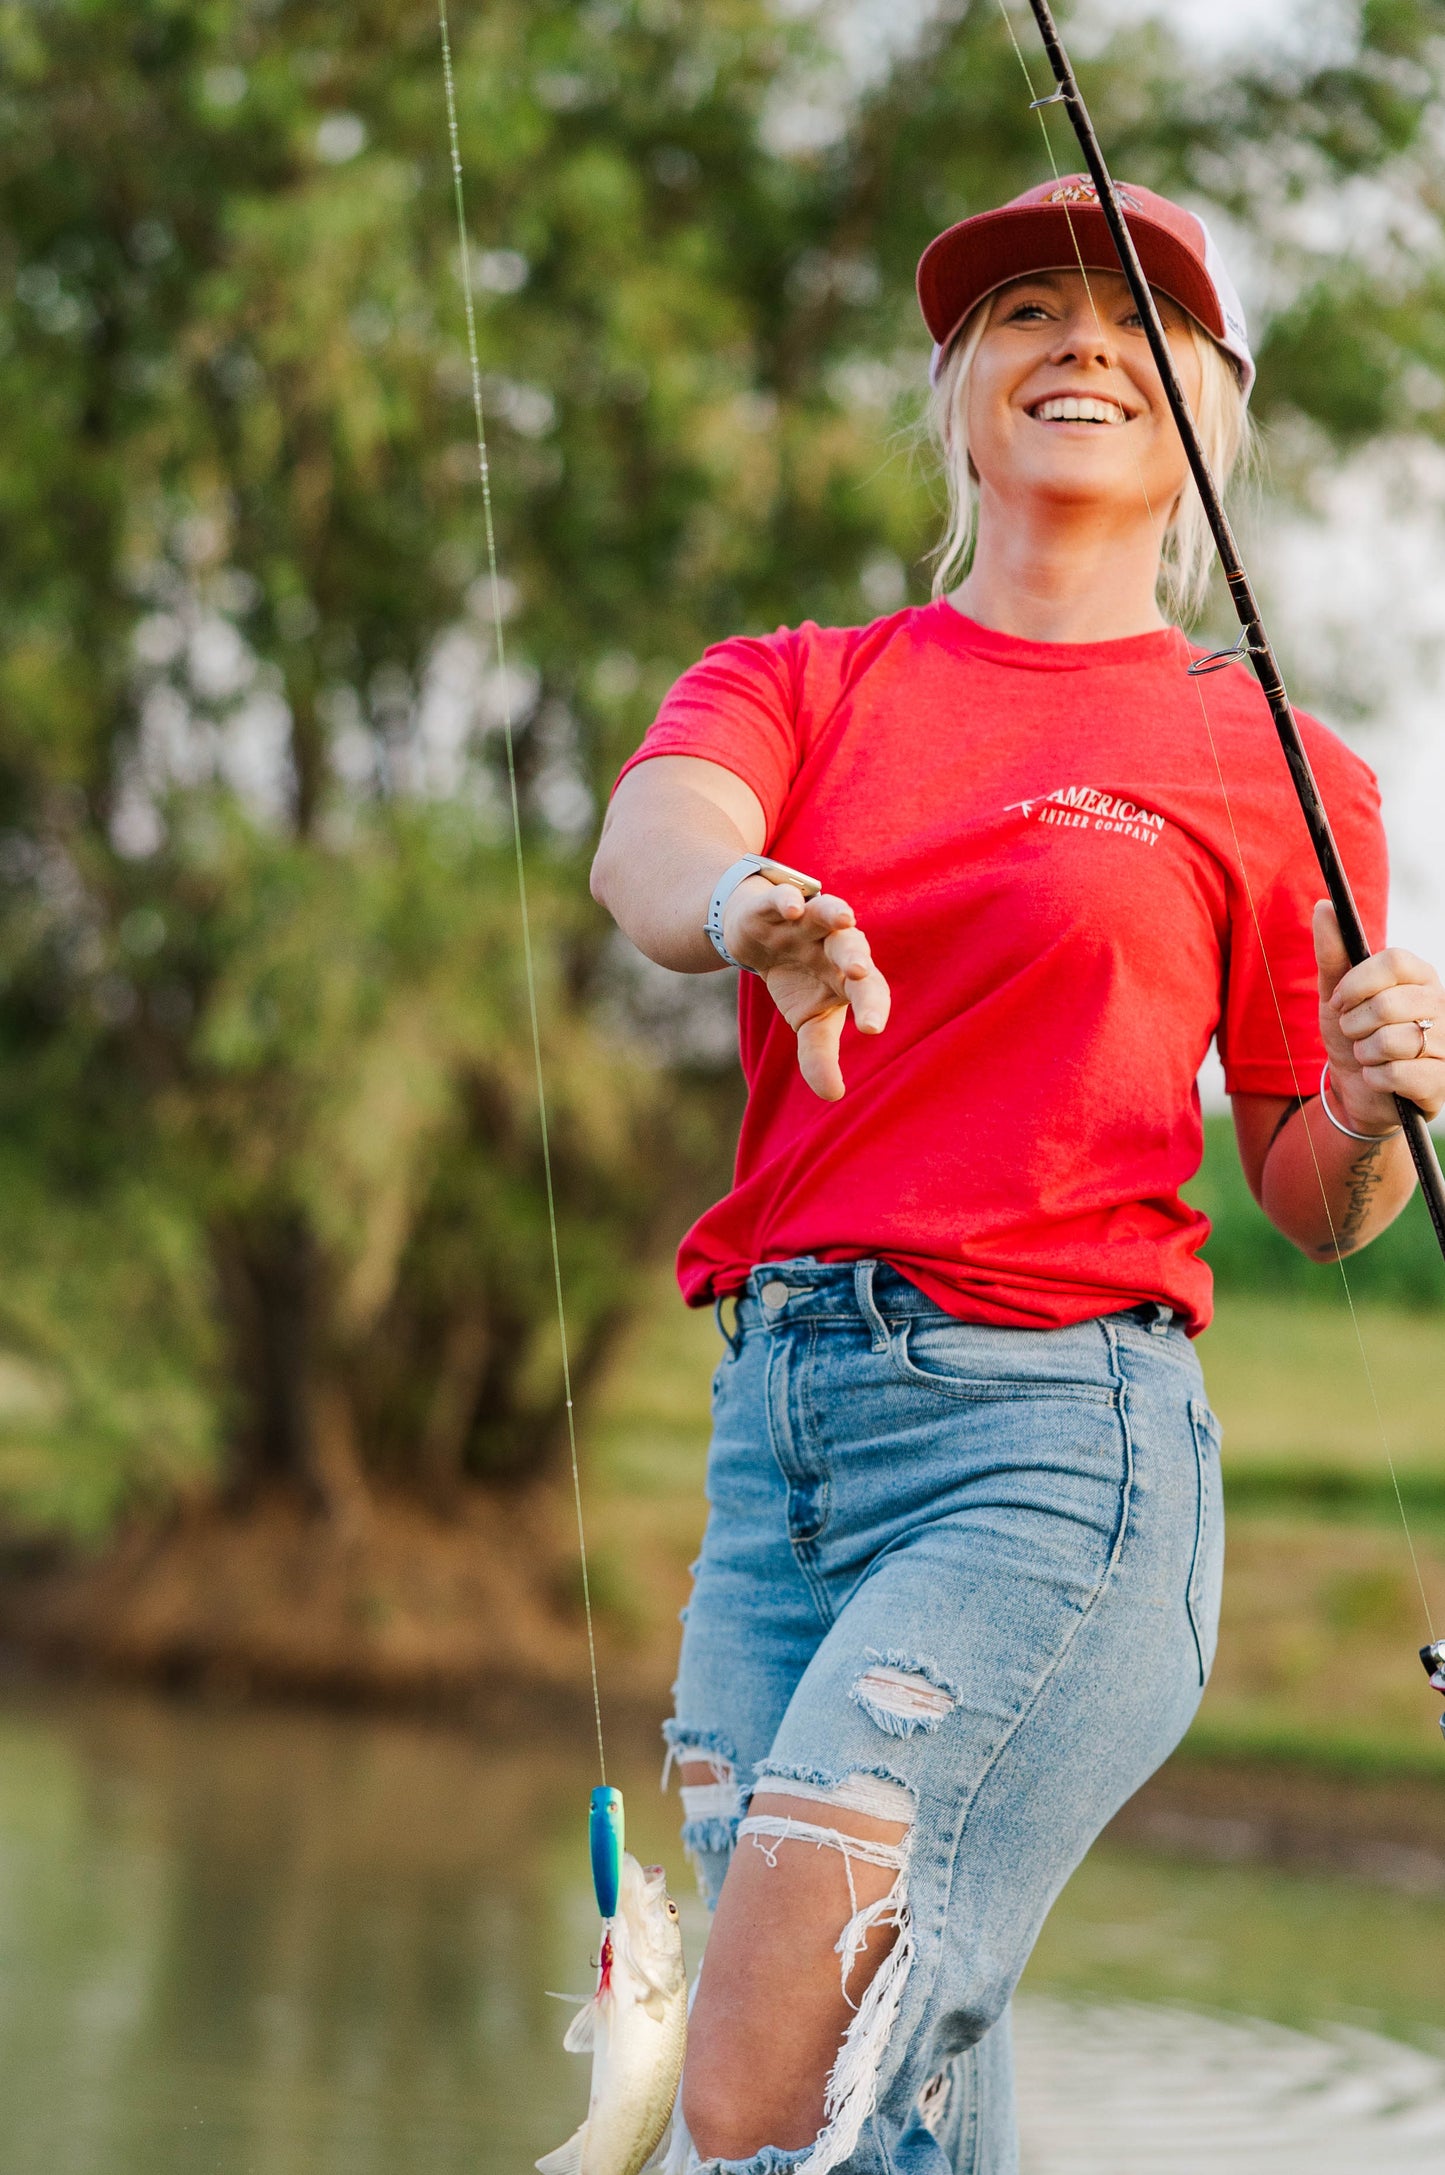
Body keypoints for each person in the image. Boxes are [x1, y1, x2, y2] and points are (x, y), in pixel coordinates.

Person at [589, 177, 1445, 2175]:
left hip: (1056, 1453)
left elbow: (1315, 1188)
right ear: (959, 397)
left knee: (768, 2057)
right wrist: (741, 899)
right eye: (1026, 313)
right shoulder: (804, 682)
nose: (1075, 341)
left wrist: (1389, 1102)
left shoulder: (1282, 766)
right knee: (873, 2090)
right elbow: (651, 844)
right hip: (776, 1439)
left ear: (1206, 418)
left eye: (1131, 320)